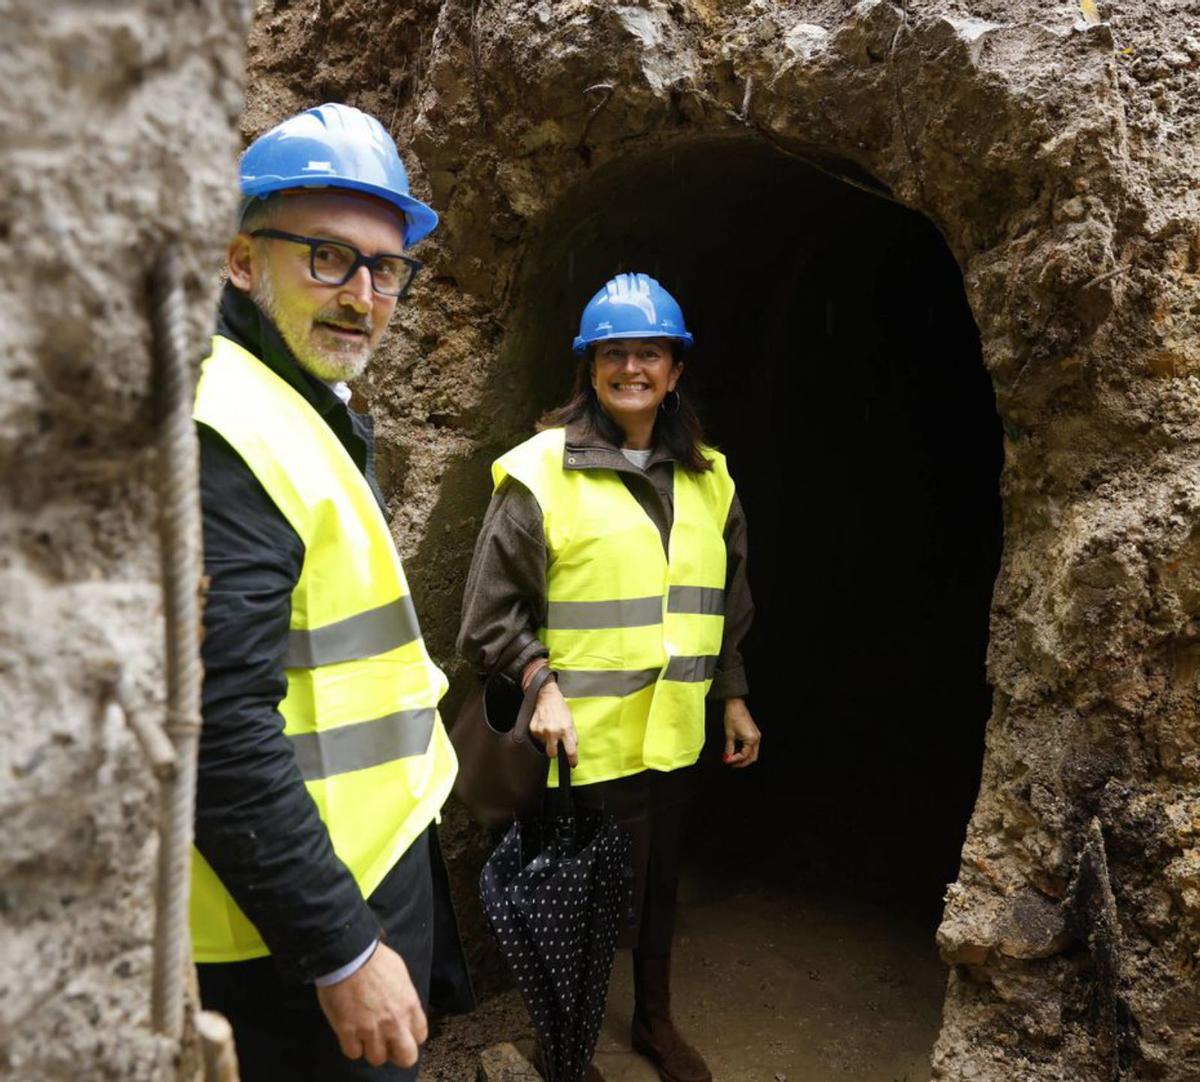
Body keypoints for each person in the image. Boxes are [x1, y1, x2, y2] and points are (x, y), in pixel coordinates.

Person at [191, 102, 471, 1081]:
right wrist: (342, 948)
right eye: (327, 257)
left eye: (386, 269)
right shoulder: (225, 428)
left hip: (358, 865)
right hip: (286, 931)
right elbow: (216, 723)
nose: (362, 295)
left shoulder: (297, 398)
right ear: (241, 261)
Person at [458, 272, 761, 1082]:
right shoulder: (539, 472)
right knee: (574, 904)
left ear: (676, 370)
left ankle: (656, 1022)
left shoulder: (711, 477)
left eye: (650, 354)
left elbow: (726, 600)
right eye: (614, 354)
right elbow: (486, 618)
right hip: (577, 744)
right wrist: (540, 684)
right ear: (590, 369)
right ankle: (566, 1049)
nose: (633, 368)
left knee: (658, 889)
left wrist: (732, 695)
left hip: (672, 732)